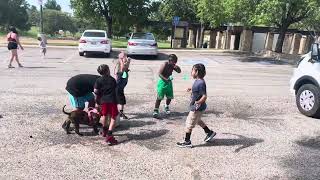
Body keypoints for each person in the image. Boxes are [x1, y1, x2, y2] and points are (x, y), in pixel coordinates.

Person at [177, 63, 216, 148]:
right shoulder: (198, 80)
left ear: (197, 72)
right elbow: (197, 88)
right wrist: (191, 88)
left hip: (196, 108)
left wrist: (198, 102)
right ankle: (209, 132)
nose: (191, 72)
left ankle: (187, 141)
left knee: (189, 124)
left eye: (192, 70)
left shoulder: (201, 83)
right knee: (198, 120)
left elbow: (204, 96)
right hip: (197, 107)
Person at [94, 64, 118, 145]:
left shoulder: (98, 80)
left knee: (104, 115)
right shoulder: (112, 80)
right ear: (108, 70)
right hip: (112, 100)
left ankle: (104, 131)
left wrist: (97, 100)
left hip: (103, 101)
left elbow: (96, 91)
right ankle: (109, 135)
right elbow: (116, 89)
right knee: (113, 117)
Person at [153, 54, 181, 118]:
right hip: (162, 82)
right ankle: (156, 110)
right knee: (159, 97)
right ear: (169, 60)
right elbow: (159, 74)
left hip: (169, 82)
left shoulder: (173, 66)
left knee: (169, 96)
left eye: (175, 62)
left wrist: (177, 68)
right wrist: (166, 79)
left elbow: (179, 71)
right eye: (173, 61)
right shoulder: (165, 64)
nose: (174, 63)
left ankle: (166, 106)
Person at [114, 51, 131, 119]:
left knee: (119, 99)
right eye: (124, 57)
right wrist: (122, 61)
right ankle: (120, 112)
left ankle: (119, 111)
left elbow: (124, 68)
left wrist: (127, 62)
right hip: (118, 88)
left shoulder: (123, 73)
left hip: (120, 87)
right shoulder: (121, 73)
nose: (126, 58)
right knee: (120, 99)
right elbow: (123, 68)